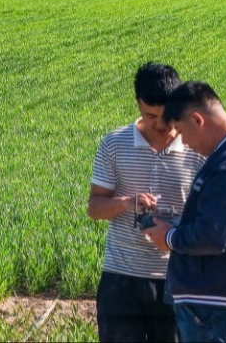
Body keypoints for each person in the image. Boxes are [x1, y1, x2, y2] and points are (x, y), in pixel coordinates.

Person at [142, 81, 226, 343]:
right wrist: (175, 224)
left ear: (197, 119)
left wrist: (169, 238)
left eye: (181, 131)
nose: (185, 143)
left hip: (215, 303)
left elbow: (215, 235)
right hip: (217, 299)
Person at [88, 62, 207, 342]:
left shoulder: (197, 149)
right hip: (121, 278)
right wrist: (127, 202)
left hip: (176, 279)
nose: (159, 124)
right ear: (137, 104)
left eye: (165, 115)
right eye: (149, 115)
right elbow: (94, 208)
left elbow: (208, 219)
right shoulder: (114, 144)